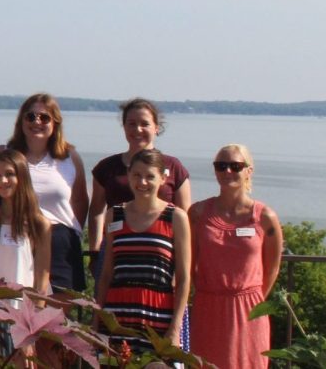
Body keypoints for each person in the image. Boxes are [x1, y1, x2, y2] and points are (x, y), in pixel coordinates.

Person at [189, 145, 281, 368]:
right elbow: (189, 263)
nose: (227, 171)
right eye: (221, 166)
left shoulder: (265, 217)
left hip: (249, 309)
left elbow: (272, 268)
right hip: (208, 307)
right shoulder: (198, 213)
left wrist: (250, 297)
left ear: (249, 171)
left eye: (235, 166)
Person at [96, 149, 192, 355]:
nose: (143, 182)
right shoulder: (114, 215)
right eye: (137, 175)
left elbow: (183, 279)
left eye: (150, 176)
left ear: (163, 179)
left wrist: (175, 328)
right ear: (129, 175)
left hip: (158, 316)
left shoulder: (176, 217)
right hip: (117, 316)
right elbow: (106, 274)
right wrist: (97, 320)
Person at [4, 93, 90, 293]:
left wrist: (67, 232)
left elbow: (79, 201)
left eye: (44, 117)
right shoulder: (6, 155)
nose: (37, 122)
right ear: (21, 121)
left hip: (60, 244)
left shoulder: (70, 158)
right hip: (17, 239)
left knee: (56, 315)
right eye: (30, 116)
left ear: (55, 123)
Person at [90, 98, 192, 262]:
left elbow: (186, 215)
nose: (138, 129)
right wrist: (95, 250)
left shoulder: (173, 166)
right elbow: (96, 211)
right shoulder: (107, 167)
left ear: (156, 128)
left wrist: (182, 256)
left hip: (160, 249)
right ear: (124, 127)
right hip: (114, 249)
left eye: (144, 124)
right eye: (131, 123)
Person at [0, 148, 51, 309]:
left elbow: (42, 275)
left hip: (19, 311)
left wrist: (37, 313)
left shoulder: (39, 224)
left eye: (9, 174)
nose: (2, 180)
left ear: (22, 176)